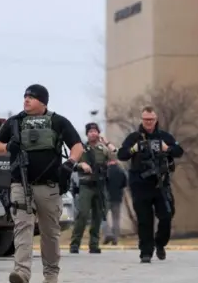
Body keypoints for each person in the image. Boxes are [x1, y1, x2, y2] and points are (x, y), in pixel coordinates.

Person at [0, 84, 83, 283]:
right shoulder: (15, 122)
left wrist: (70, 163)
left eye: (31, 97)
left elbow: (77, 145)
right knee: (22, 227)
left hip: (49, 186)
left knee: (50, 232)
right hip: (20, 185)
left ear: (43, 102)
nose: (26, 100)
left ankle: (51, 273)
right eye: (25, 96)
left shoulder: (58, 121)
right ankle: (21, 272)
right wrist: (8, 146)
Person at [117, 105, 184, 263]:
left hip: (160, 183)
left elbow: (179, 151)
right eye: (146, 119)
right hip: (140, 183)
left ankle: (159, 243)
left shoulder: (164, 136)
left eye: (151, 119)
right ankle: (145, 252)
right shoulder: (134, 137)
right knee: (144, 219)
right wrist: (134, 149)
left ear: (156, 120)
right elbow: (122, 154)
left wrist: (167, 148)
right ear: (142, 120)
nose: (148, 122)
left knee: (167, 215)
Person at [69, 124, 117, 254]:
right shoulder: (82, 148)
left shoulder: (104, 149)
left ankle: (94, 244)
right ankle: (75, 243)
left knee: (98, 216)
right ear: (87, 134)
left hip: (100, 186)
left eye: (95, 131)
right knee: (82, 215)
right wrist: (81, 164)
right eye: (90, 131)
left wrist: (107, 142)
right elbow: (71, 162)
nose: (92, 134)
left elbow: (116, 155)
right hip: (86, 185)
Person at [103, 160, 127, 245]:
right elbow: (125, 183)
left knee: (103, 217)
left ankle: (107, 234)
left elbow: (103, 183)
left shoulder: (105, 170)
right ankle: (115, 238)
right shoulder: (121, 171)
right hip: (117, 197)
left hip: (106, 197)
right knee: (116, 219)